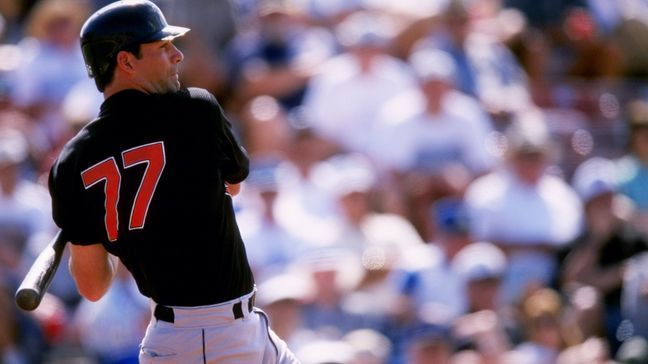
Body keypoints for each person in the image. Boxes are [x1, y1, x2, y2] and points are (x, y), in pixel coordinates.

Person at [46, 1, 298, 362]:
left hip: (177, 337)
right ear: (126, 62)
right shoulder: (195, 109)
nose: (178, 56)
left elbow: (93, 285)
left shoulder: (72, 161)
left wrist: (105, 228)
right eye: (163, 48)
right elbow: (235, 184)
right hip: (224, 336)